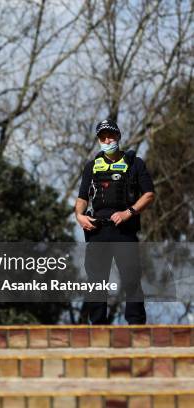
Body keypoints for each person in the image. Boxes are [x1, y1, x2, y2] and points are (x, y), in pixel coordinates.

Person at [75, 119, 155, 324]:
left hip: (124, 230)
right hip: (97, 230)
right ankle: (98, 328)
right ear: (99, 140)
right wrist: (79, 216)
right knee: (96, 282)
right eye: (103, 137)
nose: (107, 140)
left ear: (118, 136)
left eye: (110, 135)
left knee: (131, 280)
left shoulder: (135, 163)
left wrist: (129, 212)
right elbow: (82, 197)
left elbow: (148, 195)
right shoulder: (91, 166)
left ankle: (136, 327)